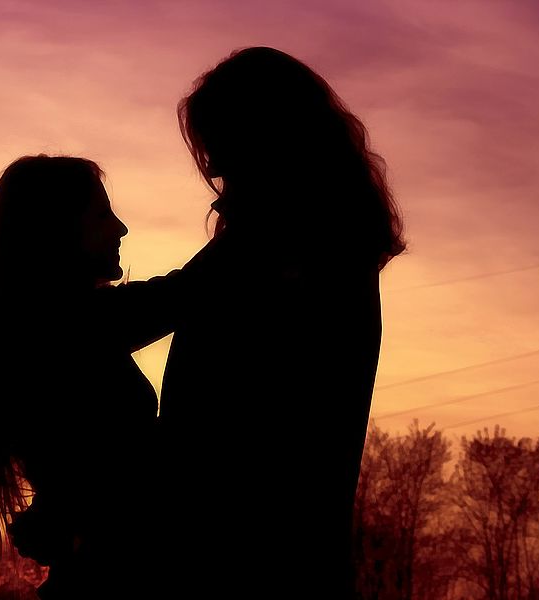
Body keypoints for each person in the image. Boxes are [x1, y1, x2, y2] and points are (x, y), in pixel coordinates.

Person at [148, 46, 407, 598]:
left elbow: (171, 305)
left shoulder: (282, 241)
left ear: (262, 137)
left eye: (217, 143)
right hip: (286, 550)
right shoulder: (324, 238)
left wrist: (44, 312)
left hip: (247, 554)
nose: (212, 167)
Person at [0, 154, 167, 599]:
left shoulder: (33, 330)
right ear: (53, 229)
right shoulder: (66, 325)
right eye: (101, 215)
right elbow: (188, 291)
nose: (121, 228)